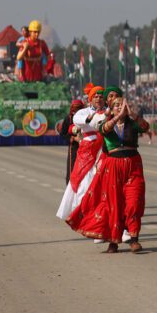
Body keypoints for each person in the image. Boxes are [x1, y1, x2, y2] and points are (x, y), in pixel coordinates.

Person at [66, 90, 146, 253]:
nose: (120, 108)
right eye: (116, 105)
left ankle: (134, 238)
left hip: (133, 165)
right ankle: (113, 241)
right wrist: (115, 116)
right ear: (110, 107)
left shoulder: (132, 123)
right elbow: (105, 129)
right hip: (113, 166)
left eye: (122, 105)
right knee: (113, 203)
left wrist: (132, 114)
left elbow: (145, 127)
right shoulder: (104, 122)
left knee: (133, 202)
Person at [57, 86, 107, 220]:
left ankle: (100, 217)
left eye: (101, 97)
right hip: (86, 152)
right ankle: (81, 212)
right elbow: (77, 121)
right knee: (84, 184)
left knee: (103, 184)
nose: (98, 99)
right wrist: (93, 118)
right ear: (90, 99)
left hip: (104, 151)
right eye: (95, 96)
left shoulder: (108, 111)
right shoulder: (83, 112)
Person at [59, 99, 86, 185]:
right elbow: (63, 134)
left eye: (79, 108)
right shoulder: (68, 118)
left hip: (87, 146)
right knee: (72, 169)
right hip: (74, 148)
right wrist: (73, 138)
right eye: (75, 108)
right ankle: (70, 189)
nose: (77, 111)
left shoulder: (86, 117)